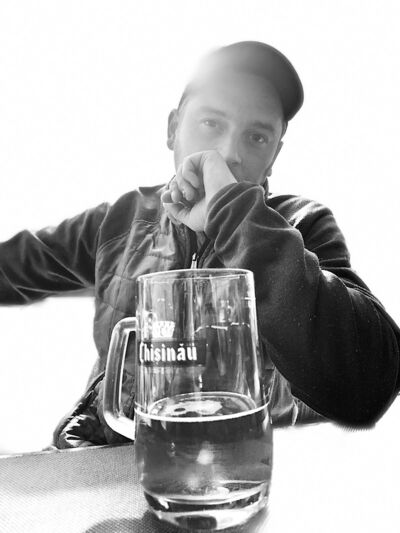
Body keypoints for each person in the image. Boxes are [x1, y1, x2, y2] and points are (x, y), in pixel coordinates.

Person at [1, 41, 399, 448]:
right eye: (211, 123)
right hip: (106, 455)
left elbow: (367, 386)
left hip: (242, 466)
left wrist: (237, 217)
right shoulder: (117, 220)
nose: (228, 154)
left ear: (275, 154)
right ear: (173, 129)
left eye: (257, 137)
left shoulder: (301, 226)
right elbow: (11, 266)